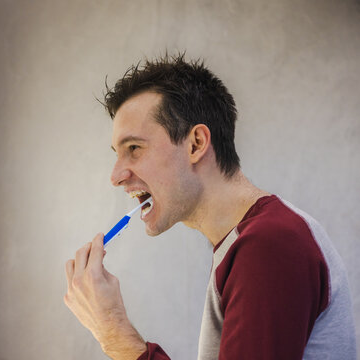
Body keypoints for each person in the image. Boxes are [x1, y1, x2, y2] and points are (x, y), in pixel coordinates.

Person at [63, 54, 357, 360]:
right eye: (117, 154)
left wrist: (114, 333)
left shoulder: (269, 246)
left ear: (196, 144)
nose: (116, 176)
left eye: (134, 148)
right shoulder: (250, 243)